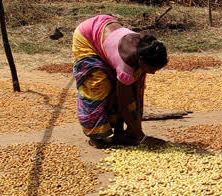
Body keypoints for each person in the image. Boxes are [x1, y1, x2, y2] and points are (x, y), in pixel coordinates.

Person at [72, 15, 168, 148]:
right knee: (98, 85)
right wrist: (141, 137)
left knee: (134, 87)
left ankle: (120, 135)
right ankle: (94, 135)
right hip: (87, 37)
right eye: (151, 69)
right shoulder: (127, 61)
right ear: (140, 60)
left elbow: (131, 95)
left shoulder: (147, 47)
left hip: (106, 27)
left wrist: (135, 132)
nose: (153, 73)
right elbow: (124, 101)